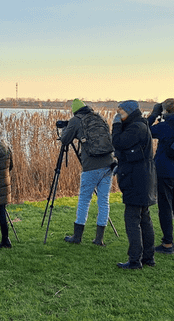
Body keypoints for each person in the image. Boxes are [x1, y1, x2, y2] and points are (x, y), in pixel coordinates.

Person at [58, 99, 116, 246]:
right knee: (104, 201)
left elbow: (65, 140)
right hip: (108, 163)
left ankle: (77, 237)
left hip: (91, 166)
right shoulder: (99, 117)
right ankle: (99, 239)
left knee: (84, 199)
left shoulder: (76, 120)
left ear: (74, 110)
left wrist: (66, 128)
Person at [112, 100, 157, 269]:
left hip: (136, 179)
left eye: (121, 112)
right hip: (143, 178)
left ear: (129, 112)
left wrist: (116, 126)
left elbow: (118, 142)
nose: (119, 115)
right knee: (144, 218)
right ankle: (148, 257)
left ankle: (134, 259)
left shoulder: (136, 127)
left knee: (132, 220)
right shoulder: (140, 125)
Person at [147, 98, 174, 254]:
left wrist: (153, 115)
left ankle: (167, 244)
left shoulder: (165, 126)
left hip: (165, 170)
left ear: (165, 110)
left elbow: (144, 131)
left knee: (165, 206)